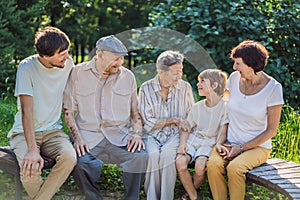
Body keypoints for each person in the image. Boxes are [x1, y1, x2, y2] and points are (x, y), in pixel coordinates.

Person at [63, 35, 148, 200]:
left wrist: (137, 134)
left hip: (120, 137)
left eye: (121, 58)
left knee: (141, 156)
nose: (119, 62)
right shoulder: (78, 73)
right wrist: (77, 138)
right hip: (89, 137)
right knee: (80, 164)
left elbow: (135, 113)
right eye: (115, 58)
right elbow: (68, 112)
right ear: (100, 54)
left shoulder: (128, 77)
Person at [206, 40, 284, 200]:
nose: (234, 67)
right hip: (229, 142)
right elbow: (226, 115)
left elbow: (271, 130)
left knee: (235, 168)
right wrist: (220, 142)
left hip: (257, 148)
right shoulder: (233, 79)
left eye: (238, 63)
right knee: (213, 164)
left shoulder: (274, 89)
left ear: (251, 65)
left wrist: (241, 148)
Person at [8, 26, 77, 200]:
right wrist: (32, 150)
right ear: (46, 56)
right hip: (24, 133)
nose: (67, 57)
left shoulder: (68, 65)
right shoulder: (27, 67)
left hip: (54, 131)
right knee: (29, 172)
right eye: (62, 53)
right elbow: (27, 111)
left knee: (69, 157)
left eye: (67, 52)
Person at [139, 50, 195, 200]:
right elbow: (148, 122)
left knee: (167, 156)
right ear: (161, 71)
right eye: (175, 72)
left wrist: (180, 126)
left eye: (181, 71)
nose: (179, 76)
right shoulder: (146, 88)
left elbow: (190, 118)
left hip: (175, 135)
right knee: (152, 155)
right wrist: (174, 120)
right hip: (152, 134)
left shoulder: (185, 88)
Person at [176, 69, 228, 200]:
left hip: (209, 143)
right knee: (180, 163)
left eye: (202, 81)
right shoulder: (197, 107)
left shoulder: (225, 108)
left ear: (214, 85)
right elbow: (187, 128)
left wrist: (218, 145)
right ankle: (193, 196)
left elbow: (223, 131)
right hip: (193, 140)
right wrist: (182, 144)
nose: (198, 84)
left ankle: (189, 192)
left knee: (200, 168)